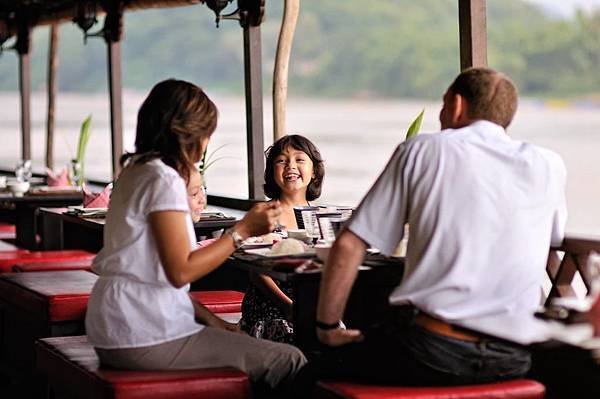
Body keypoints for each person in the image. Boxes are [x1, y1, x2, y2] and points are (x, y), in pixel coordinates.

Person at [294, 67, 567, 395]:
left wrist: (327, 329)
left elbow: (349, 246)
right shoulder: (548, 164)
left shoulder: (423, 150)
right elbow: (551, 244)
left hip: (430, 351)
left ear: (456, 105)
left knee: (300, 376)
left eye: (441, 105)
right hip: (514, 357)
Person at [84, 79, 306, 394]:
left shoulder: (136, 170)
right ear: (188, 134)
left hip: (118, 325)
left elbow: (160, 279)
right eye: (205, 134)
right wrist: (241, 231)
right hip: (143, 334)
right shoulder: (163, 179)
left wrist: (219, 325)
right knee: (291, 360)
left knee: (255, 349)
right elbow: (181, 271)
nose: (205, 145)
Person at [240, 134, 325, 343]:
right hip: (270, 308)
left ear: (314, 172)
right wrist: (288, 306)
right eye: (281, 160)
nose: (290, 165)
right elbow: (256, 272)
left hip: (309, 304)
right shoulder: (263, 213)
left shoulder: (320, 218)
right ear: (272, 173)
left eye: (299, 159)